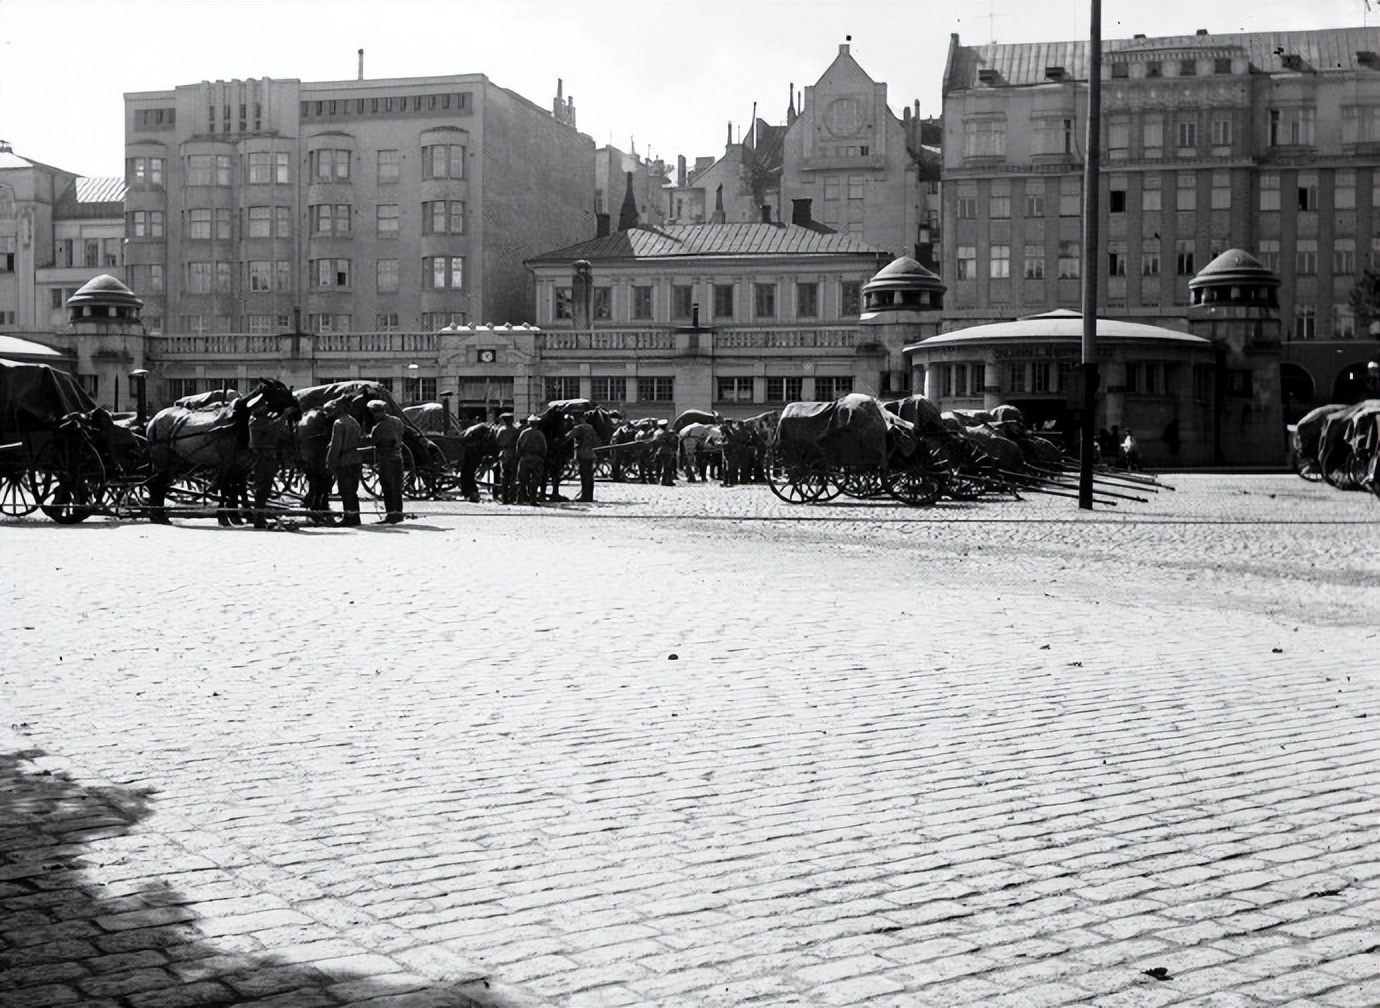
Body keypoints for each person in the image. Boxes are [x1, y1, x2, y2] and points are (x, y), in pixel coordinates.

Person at [248, 399, 296, 529]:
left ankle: (260, 518)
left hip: (267, 457)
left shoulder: (263, 420)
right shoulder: (257, 423)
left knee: (265, 488)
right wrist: (285, 414)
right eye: (262, 406)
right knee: (262, 489)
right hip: (262, 458)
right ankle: (259, 520)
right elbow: (276, 426)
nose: (265, 408)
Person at [364, 399, 406, 523]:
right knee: (397, 487)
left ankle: (391, 515)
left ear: (375, 413)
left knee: (388, 487)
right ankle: (399, 513)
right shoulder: (398, 422)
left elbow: (372, 442)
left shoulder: (379, 427)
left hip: (386, 459)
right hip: (398, 457)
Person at [325, 398, 363, 526]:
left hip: (344, 460)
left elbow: (336, 445)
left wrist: (330, 462)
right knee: (353, 490)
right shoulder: (354, 421)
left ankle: (348, 517)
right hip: (356, 459)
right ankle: (355, 516)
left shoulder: (339, 423)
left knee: (345, 490)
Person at [516, 415, 547, 505]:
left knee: (522, 479)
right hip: (536, 458)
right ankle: (532, 499)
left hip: (525, 458)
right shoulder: (540, 434)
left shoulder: (524, 433)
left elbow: (518, 446)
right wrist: (542, 457)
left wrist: (520, 456)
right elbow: (544, 447)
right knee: (535, 479)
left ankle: (520, 498)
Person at [569, 412, 600, 503]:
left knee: (584, 475)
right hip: (590, 453)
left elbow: (568, 437)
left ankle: (584, 496)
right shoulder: (590, 427)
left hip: (582, 453)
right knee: (590, 475)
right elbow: (596, 440)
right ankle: (589, 495)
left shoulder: (578, 428)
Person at [493, 413, 520, 504]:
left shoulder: (501, 430)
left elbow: (497, 441)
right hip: (513, 453)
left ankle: (505, 498)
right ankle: (512, 497)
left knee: (504, 477)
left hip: (504, 454)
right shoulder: (516, 430)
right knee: (513, 477)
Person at [652, 419, 678, 486]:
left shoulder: (656, 433)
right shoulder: (667, 433)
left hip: (658, 451)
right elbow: (671, 442)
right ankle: (666, 481)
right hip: (666, 451)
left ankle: (659, 479)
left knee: (659, 466)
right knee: (667, 466)